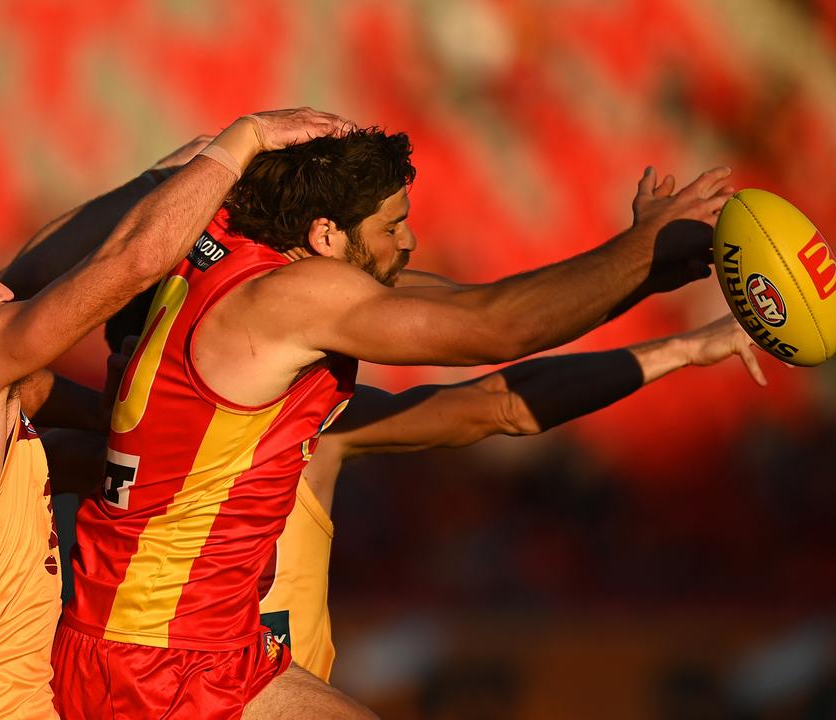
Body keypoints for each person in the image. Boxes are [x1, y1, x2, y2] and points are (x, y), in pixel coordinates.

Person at [55, 127, 737, 718]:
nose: (409, 240)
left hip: (197, 652)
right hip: (162, 662)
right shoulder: (289, 304)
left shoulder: (248, 272)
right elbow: (495, 332)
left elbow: (491, 315)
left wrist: (642, 277)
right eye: (391, 226)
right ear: (324, 235)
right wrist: (642, 249)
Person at [0, 108, 350, 719]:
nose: (2, 293)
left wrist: (157, 180)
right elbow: (128, 266)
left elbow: (66, 431)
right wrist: (245, 140)